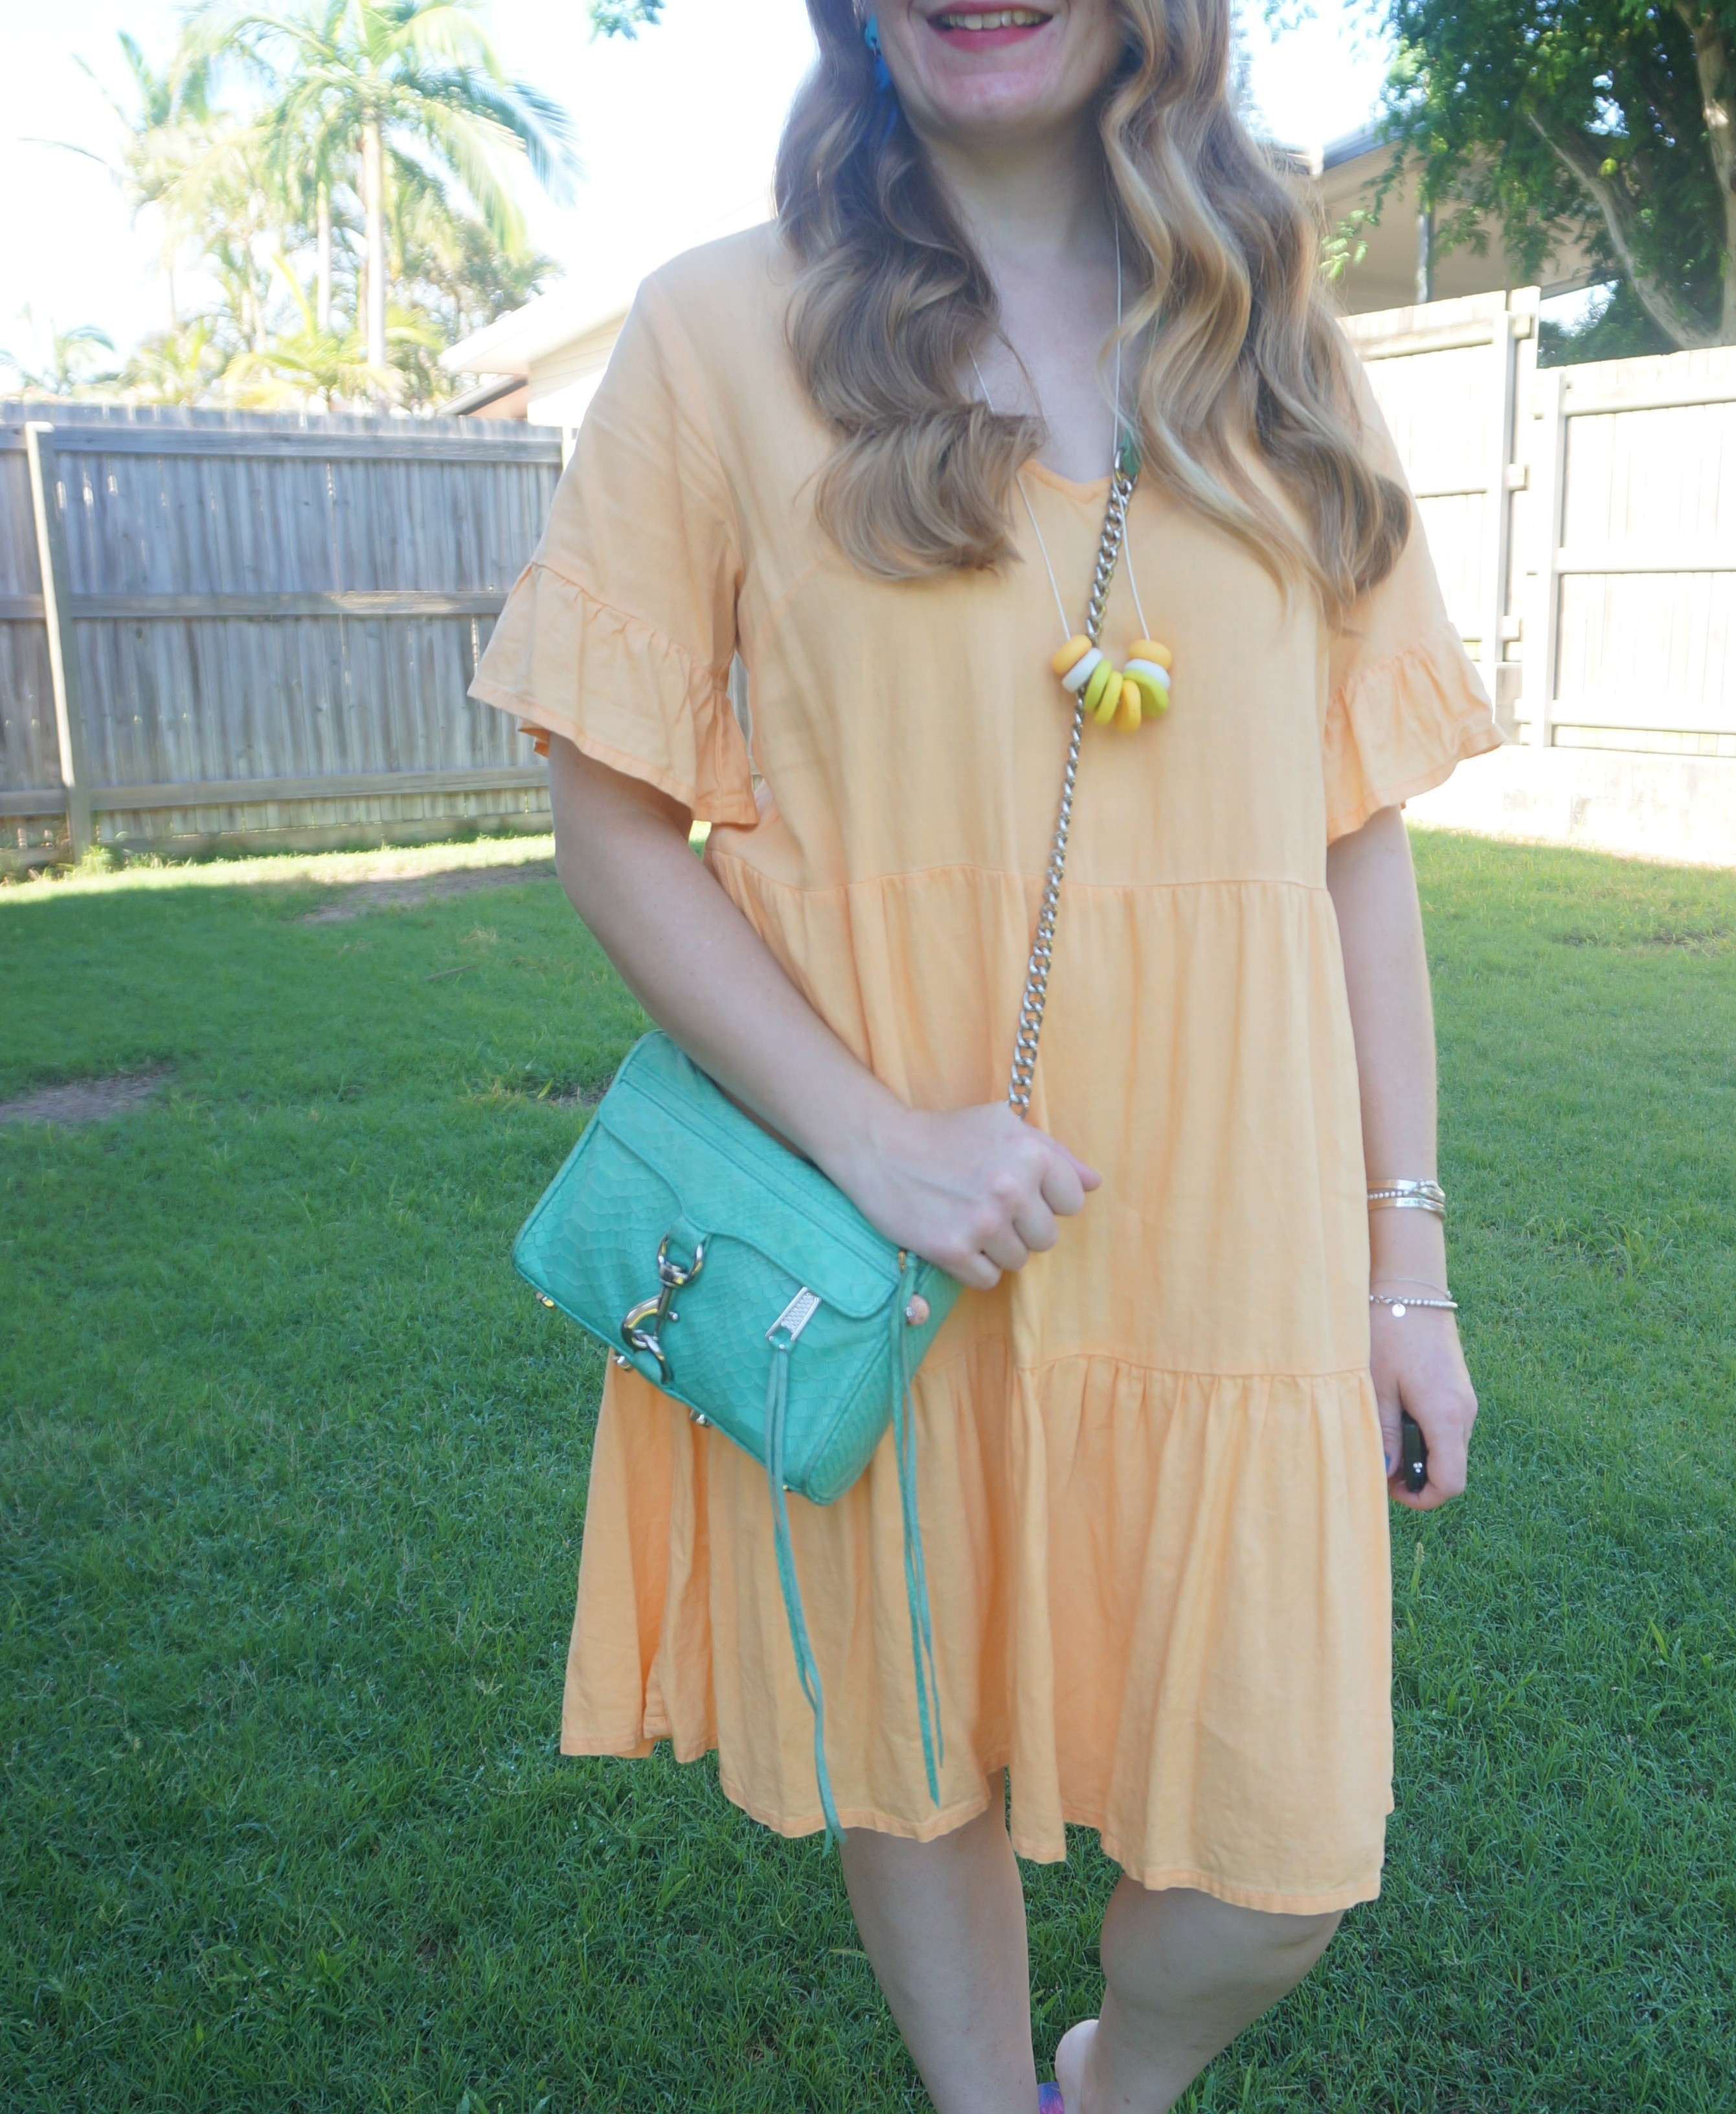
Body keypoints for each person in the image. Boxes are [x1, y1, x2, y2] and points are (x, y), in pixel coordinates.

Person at [469, 2, 1494, 2107]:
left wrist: (1412, 1270)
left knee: (1274, 1872)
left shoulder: (1282, 346)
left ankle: (1109, 2080)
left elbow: (1356, 847)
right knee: (910, 1742)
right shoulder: (713, 336)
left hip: (1227, 1237)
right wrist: (880, 1145)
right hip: (889, 1221)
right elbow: (606, 815)